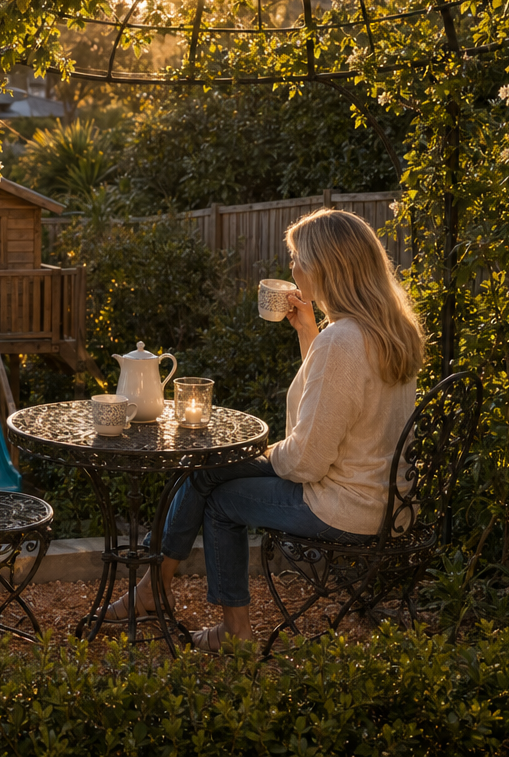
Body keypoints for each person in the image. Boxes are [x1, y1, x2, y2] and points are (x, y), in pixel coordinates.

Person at [108, 208, 427, 651]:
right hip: (386, 503)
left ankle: (215, 621)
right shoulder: (388, 330)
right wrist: (308, 332)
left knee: (218, 494)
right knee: (208, 470)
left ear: (326, 266)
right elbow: (342, 402)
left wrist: (259, 455)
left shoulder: (343, 341)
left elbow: (307, 461)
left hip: (344, 507)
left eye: (298, 259)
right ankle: (153, 591)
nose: (292, 269)